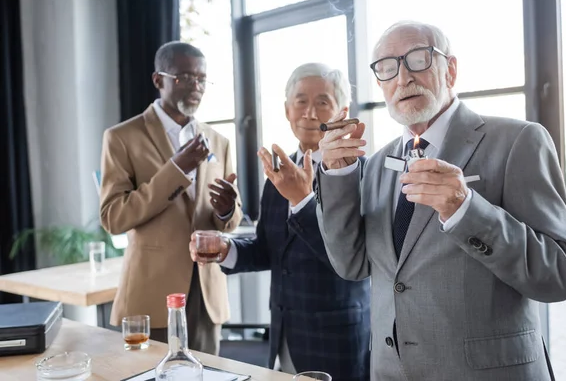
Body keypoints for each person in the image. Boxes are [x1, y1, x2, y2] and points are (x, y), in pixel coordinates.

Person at [315, 21, 566, 380]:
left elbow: (561, 274)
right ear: (380, 83)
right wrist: (337, 176)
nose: (403, 77)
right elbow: (351, 265)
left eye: (418, 59)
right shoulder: (378, 164)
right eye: (387, 67)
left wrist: (466, 210)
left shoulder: (518, 141)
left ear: (450, 70)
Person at [189, 63, 370, 380]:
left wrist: (302, 199)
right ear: (287, 110)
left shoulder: (363, 174)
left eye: (323, 102)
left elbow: (351, 260)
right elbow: (267, 250)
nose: (310, 113)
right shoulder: (278, 174)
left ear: (342, 112)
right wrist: (226, 248)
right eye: (300, 101)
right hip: (285, 337)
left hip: (337, 339)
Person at [100, 41, 243, 354]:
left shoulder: (219, 141)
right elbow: (113, 217)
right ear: (158, 80)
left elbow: (231, 221)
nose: (196, 86)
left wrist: (226, 210)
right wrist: (176, 170)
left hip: (206, 292)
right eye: (184, 77)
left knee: (208, 375)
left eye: (202, 79)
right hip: (151, 293)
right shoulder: (122, 138)